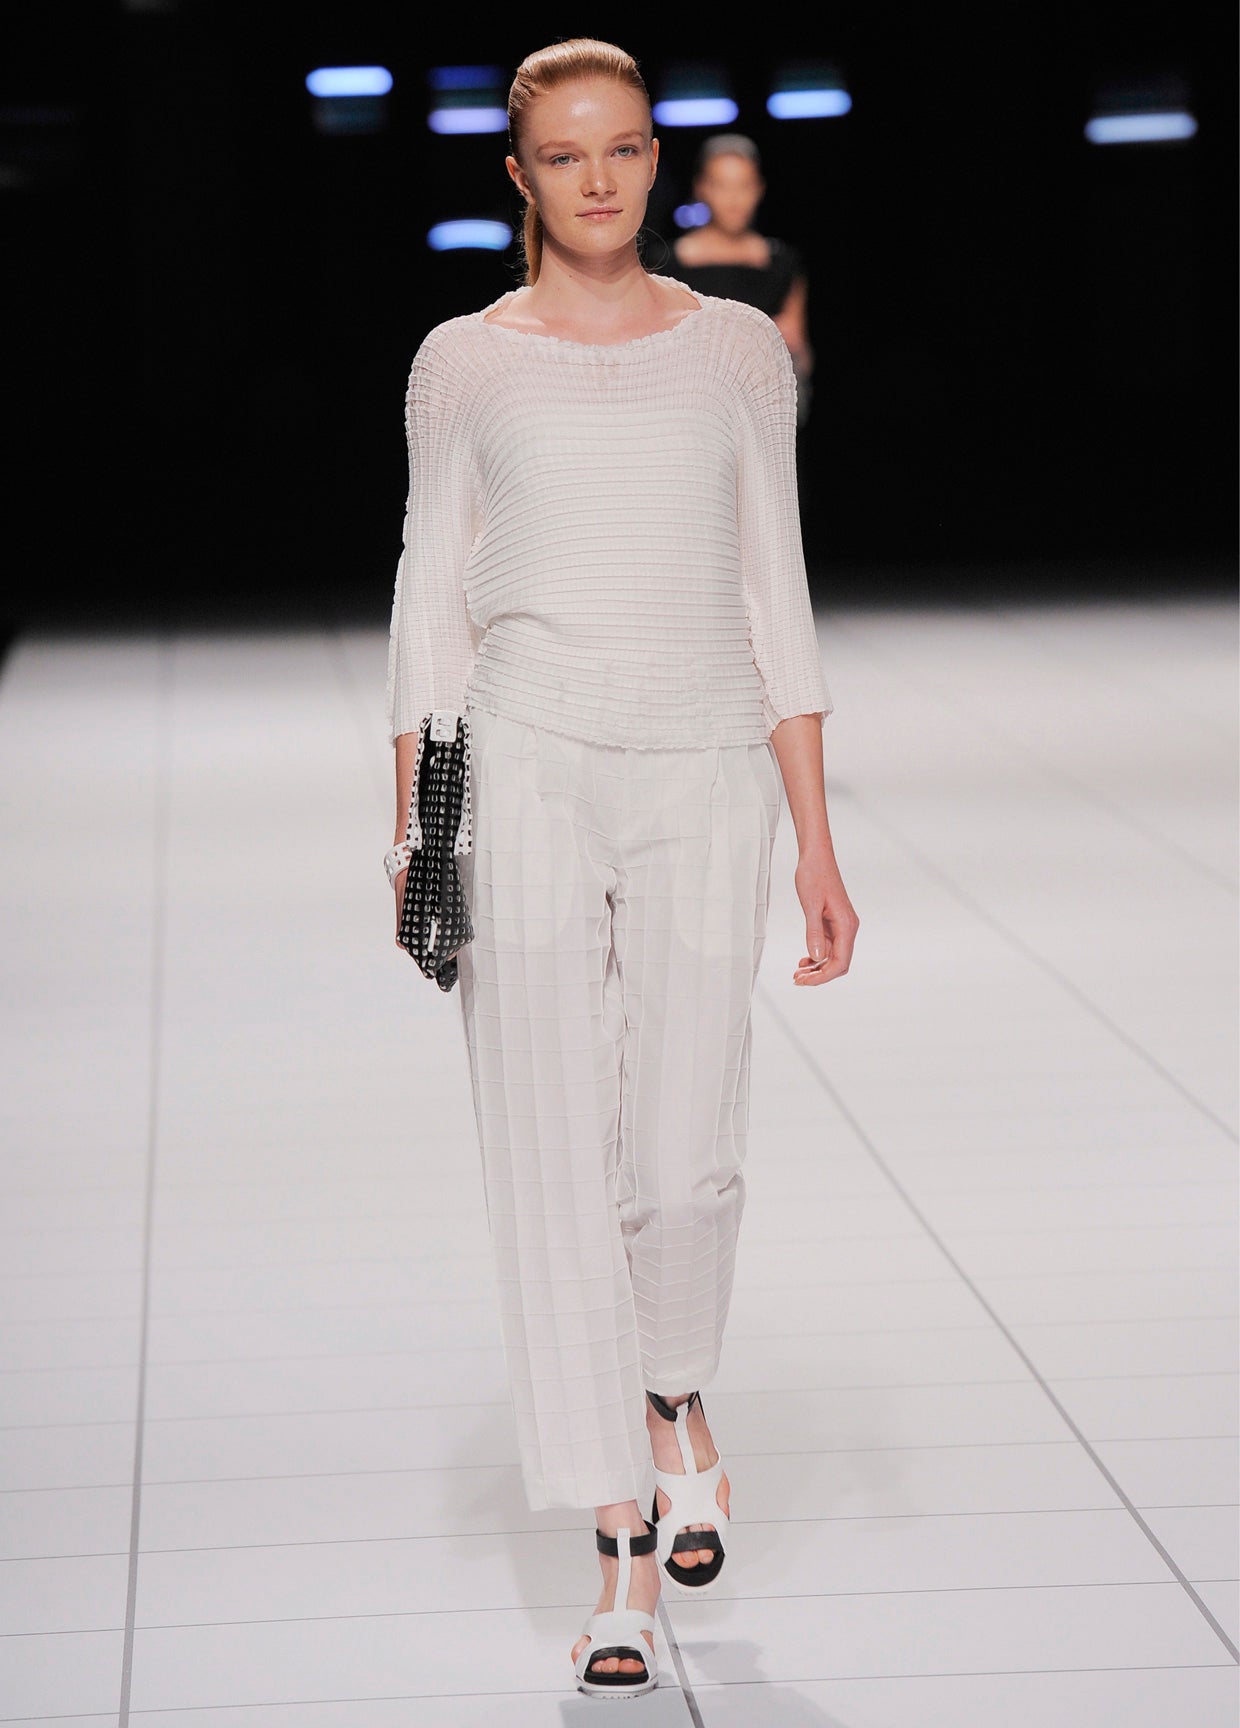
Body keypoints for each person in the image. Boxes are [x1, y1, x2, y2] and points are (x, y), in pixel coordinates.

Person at [383, 38, 858, 1699]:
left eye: (627, 147)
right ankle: (618, 1549)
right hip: (521, 766)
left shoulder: (735, 351)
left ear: (658, 161)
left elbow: (777, 588)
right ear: (517, 176)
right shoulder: (464, 362)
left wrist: (819, 838)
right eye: (566, 153)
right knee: (548, 1156)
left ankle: (673, 1393)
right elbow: (429, 606)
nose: (600, 178)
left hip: (708, 760)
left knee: (682, 1162)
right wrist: (419, 836)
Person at [672, 132, 814, 421]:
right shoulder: (668, 264)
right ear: (701, 188)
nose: (734, 198)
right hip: (692, 410)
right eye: (721, 185)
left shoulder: (781, 263)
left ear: (759, 188)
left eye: (744, 185)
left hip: (766, 409)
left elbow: (797, 345)